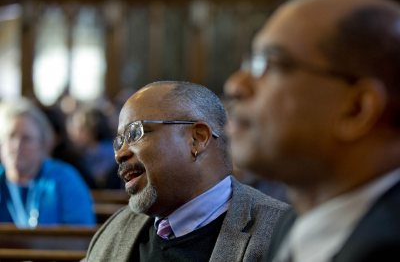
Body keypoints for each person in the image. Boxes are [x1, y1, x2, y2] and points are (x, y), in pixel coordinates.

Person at [224, 0, 400, 262]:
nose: (235, 85)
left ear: (357, 109)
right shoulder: (294, 220)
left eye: (270, 63)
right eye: (250, 63)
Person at [83, 81, 289, 261]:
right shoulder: (117, 228)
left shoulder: (278, 232)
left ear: (197, 138)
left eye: (135, 133)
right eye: (119, 142)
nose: (120, 154)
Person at [0, 98, 96, 227]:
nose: (17, 146)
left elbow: (78, 238)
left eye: (26, 138)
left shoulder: (65, 180)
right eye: (11, 136)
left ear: (42, 144)